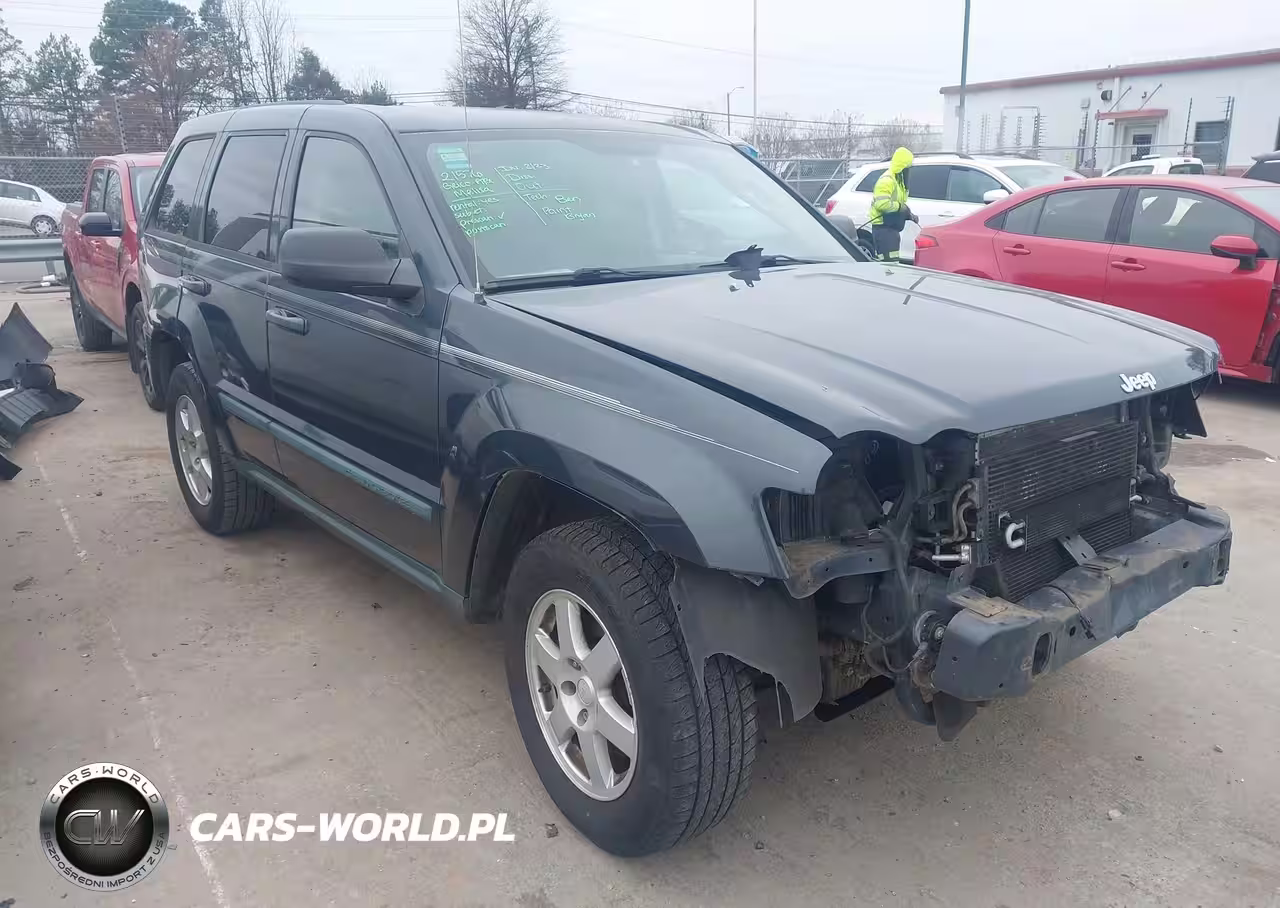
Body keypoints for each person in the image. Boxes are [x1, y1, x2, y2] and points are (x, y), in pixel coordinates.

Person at [868, 146, 918, 261]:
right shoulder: (887, 180)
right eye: (908, 166)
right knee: (888, 266)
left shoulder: (898, 180)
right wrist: (900, 207)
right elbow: (881, 204)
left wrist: (909, 215)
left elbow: (899, 202)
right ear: (902, 166)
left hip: (891, 229)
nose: (909, 170)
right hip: (883, 229)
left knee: (892, 264)